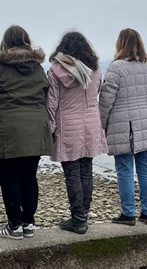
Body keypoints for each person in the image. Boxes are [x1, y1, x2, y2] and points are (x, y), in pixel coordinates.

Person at [0, 25, 53, 239]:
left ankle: (14, 225)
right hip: (35, 128)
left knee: (9, 179)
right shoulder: (37, 68)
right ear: (26, 41)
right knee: (29, 177)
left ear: (5, 42)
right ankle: (28, 223)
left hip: (5, 129)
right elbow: (45, 95)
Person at [99, 28, 147, 226]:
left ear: (120, 44)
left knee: (125, 169)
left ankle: (128, 213)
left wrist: (101, 123)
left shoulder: (116, 67)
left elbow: (106, 100)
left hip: (124, 124)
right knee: (146, 169)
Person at [47, 32, 108, 234]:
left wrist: (51, 128)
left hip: (68, 123)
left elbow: (52, 103)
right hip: (91, 122)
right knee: (86, 170)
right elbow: (98, 92)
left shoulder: (56, 70)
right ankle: (84, 214)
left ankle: (78, 217)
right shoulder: (95, 69)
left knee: (72, 172)